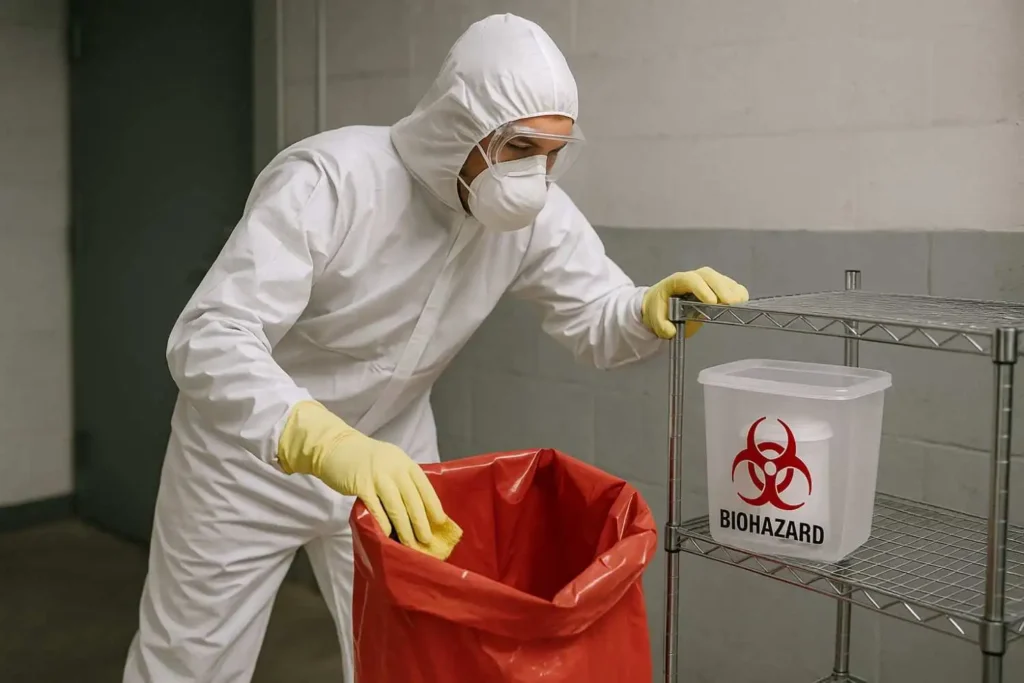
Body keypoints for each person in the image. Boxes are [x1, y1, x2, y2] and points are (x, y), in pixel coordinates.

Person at [122, 12, 749, 683]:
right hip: (248, 462)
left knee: (406, 659)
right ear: (461, 126)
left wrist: (651, 310)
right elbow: (210, 336)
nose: (536, 175)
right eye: (519, 148)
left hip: (394, 466)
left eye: (553, 153)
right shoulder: (330, 182)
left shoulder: (531, 217)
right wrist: (324, 443)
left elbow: (596, 316)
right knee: (189, 664)